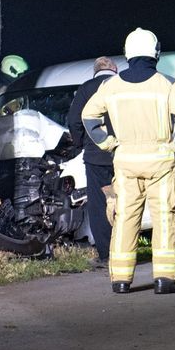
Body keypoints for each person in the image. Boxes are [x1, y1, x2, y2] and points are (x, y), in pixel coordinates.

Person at [82, 29, 175, 294]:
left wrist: (110, 144)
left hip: (126, 163)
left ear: (127, 54)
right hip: (160, 164)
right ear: (155, 53)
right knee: (165, 217)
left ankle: (120, 280)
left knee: (125, 219)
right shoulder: (167, 84)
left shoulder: (111, 86)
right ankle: (165, 279)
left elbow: (89, 117)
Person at [66, 56, 119, 268]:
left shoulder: (87, 89)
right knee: (126, 202)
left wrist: (80, 144)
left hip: (96, 157)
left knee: (99, 205)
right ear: (114, 69)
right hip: (123, 154)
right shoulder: (122, 85)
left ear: (95, 72)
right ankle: (127, 249)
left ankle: (106, 255)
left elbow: (74, 120)